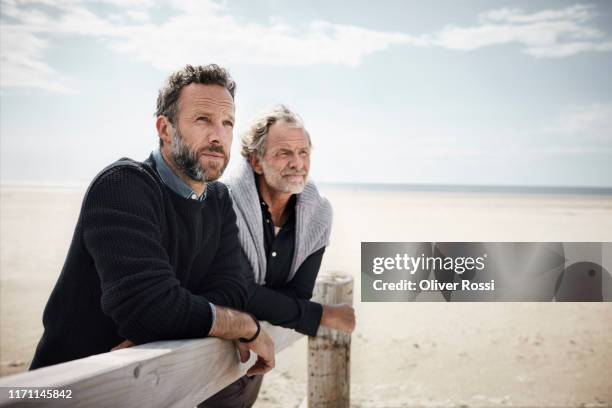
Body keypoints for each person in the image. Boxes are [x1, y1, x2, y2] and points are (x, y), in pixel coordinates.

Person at [30, 64, 275, 378]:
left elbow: (232, 288)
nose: (218, 135)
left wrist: (172, 322)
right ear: (165, 129)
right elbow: (147, 309)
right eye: (203, 119)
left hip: (151, 386)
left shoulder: (218, 200)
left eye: (227, 123)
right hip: (69, 390)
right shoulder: (122, 186)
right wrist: (242, 325)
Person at [202, 106, 355, 407]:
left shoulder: (318, 215)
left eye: (303, 152)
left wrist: (269, 304)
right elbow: (239, 293)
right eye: (284, 153)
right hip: (198, 347)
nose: (297, 163)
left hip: (253, 356)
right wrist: (323, 314)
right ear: (256, 161)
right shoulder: (224, 200)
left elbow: (298, 292)